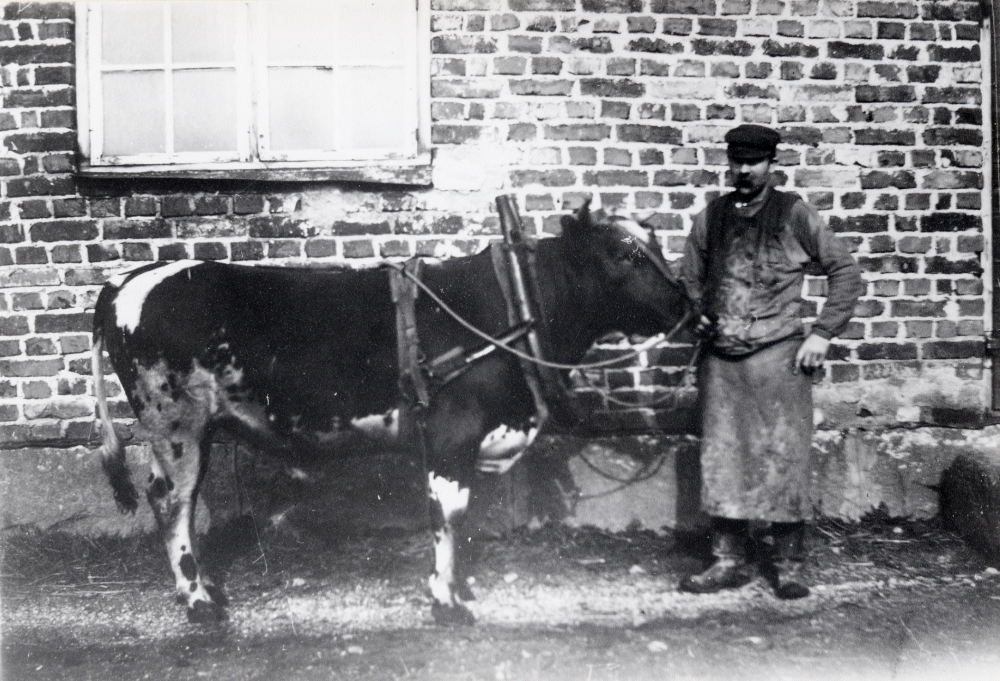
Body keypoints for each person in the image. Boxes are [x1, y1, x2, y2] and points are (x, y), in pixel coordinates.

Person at [678, 123, 864, 599]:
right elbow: (690, 278)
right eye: (737, 162)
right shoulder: (711, 217)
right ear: (728, 162)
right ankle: (726, 561)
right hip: (723, 360)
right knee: (723, 455)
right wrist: (697, 313)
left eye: (754, 162)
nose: (744, 171)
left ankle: (790, 565)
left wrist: (823, 332)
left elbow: (845, 270)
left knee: (784, 455)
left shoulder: (794, 213)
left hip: (780, 355)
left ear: (770, 164)